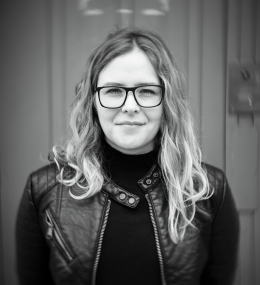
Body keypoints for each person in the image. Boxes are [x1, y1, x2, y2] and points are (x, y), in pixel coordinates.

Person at [16, 28, 239, 285]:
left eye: (146, 91)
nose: (130, 106)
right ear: (93, 101)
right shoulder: (44, 190)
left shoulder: (208, 190)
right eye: (113, 91)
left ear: (167, 101)